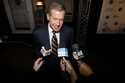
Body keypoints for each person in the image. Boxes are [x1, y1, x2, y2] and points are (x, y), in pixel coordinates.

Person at [32, 1, 75, 83]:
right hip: (45, 70)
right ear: (48, 16)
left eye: (61, 19)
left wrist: (68, 64)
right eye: (55, 19)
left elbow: (70, 49)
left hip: (63, 69)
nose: (58, 24)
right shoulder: (37, 33)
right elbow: (36, 51)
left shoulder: (69, 31)